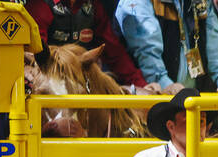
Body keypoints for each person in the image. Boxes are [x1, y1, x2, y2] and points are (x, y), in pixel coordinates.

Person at [25, 0, 157, 92]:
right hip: (49, 81)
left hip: (82, 81)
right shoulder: (39, 5)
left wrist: (141, 85)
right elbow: (34, 54)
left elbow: (114, 53)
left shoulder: (93, 6)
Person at [115, 0, 218, 96]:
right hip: (150, 99)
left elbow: (215, 44)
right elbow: (147, 53)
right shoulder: (137, 3)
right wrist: (165, 84)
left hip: (192, 99)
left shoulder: (201, 2)